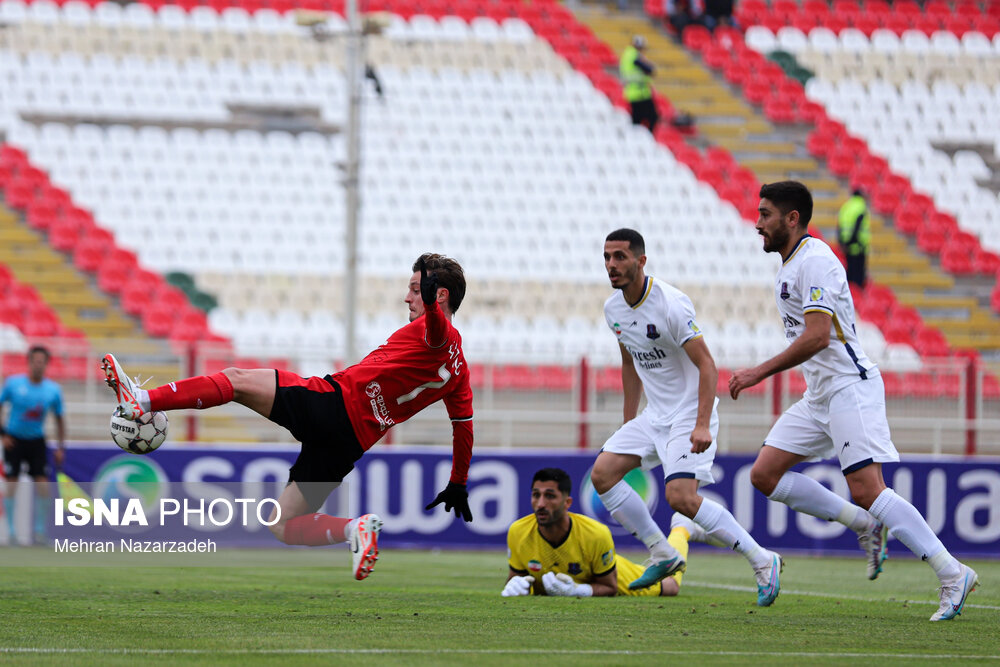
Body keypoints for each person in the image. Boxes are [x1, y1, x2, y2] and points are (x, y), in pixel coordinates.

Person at [102, 254, 474, 580]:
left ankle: (143, 401)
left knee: (235, 380)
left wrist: (430, 305)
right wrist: (458, 482)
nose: (408, 296)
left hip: (332, 405)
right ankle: (355, 530)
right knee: (281, 524)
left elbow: (438, 332)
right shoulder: (460, 373)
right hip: (348, 443)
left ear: (437, 295)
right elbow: (463, 428)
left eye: (416, 288)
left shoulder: (434, 332)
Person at [729, 181, 979, 622]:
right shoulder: (788, 267)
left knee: (868, 488)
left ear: (792, 219)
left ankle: (952, 572)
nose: (758, 222)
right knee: (765, 474)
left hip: (849, 387)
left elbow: (818, 336)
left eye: (765, 214)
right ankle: (864, 524)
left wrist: (758, 372)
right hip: (820, 395)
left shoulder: (818, 260)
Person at [590, 228, 783, 607]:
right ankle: (662, 552)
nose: (612, 265)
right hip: (654, 416)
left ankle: (762, 560)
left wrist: (700, 422)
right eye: (607, 257)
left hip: (689, 413)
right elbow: (629, 363)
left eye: (620, 257)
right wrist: (630, 420)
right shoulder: (613, 309)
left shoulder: (671, 304)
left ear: (641, 261)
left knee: (681, 497)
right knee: (602, 474)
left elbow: (707, 366)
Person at [503, 467, 695, 598]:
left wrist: (578, 591)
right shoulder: (518, 531)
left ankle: (681, 528)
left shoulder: (596, 534)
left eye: (550, 496)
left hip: (610, 572)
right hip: (587, 571)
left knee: (670, 586)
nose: (541, 504)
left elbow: (610, 587)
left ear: (567, 503)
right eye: (536, 495)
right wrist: (514, 587)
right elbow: (516, 580)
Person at [1, 345, 65, 545]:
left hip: (37, 441)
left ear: (46, 364)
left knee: (43, 486)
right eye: (35, 360)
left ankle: (39, 533)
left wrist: (61, 447)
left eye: (42, 361)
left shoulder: (53, 390)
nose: (38, 364)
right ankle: (11, 533)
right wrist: (3, 435)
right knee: (12, 484)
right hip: (14, 440)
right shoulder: (13, 384)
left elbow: (59, 419)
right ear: (29, 362)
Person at [620, 36, 659, 133]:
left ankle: (637, 140)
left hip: (634, 92)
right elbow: (648, 69)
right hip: (639, 93)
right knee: (652, 117)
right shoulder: (633, 54)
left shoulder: (627, 54)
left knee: (638, 119)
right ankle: (645, 138)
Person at [837, 188, 870, 289]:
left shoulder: (845, 207)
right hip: (858, 247)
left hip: (847, 248)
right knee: (858, 278)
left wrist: (842, 243)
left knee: (849, 275)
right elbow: (857, 227)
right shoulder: (861, 207)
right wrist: (851, 242)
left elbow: (839, 226)